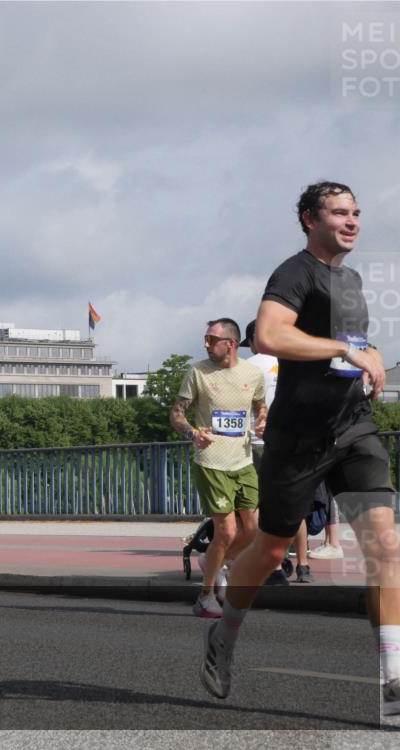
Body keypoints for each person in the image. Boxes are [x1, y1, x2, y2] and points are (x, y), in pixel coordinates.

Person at [198, 182, 400, 716]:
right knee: (268, 549)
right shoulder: (294, 272)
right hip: (299, 437)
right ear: (310, 219)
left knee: (385, 545)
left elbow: (349, 345)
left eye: (357, 212)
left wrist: (368, 355)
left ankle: (393, 679)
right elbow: (268, 336)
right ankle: (224, 640)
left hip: (354, 428)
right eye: (339, 212)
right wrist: (341, 348)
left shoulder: (352, 279)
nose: (352, 220)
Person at [170, 318, 266, 618]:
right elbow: (176, 413)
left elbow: (260, 406)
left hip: (244, 461)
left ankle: (216, 561)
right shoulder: (197, 372)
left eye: (212, 339)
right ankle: (205, 596)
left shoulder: (253, 373)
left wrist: (262, 419)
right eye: (206, 339)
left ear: (231, 343)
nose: (206, 345)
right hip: (211, 463)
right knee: (226, 531)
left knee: (253, 532)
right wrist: (192, 433)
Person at [241, 320, 314, 585]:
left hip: (261, 442)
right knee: (295, 505)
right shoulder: (293, 362)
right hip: (295, 440)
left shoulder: (248, 367)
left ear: (252, 341)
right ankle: (304, 565)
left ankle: (272, 566)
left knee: (261, 505)